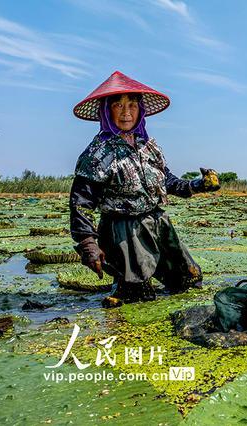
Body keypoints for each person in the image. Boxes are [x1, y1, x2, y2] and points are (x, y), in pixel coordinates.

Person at [69, 71, 221, 307]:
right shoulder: (97, 153)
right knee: (137, 294)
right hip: (123, 230)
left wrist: (198, 185)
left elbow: (167, 181)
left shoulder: (148, 146)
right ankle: (124, 297)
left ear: (141, 110)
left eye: (132, 105)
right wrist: (88, 244)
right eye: (118, 105)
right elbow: (81, 203)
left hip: (158, 224)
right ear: (106, 110)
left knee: (188, 279)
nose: (126, 112)